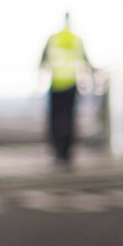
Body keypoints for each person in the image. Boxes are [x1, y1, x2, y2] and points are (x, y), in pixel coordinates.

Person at [40, 13, 91, 167]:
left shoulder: (53, 38)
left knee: (56, 119)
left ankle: (58, 151)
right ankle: (67, 153)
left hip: (56, 84)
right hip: (71, 84)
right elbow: (86, 61)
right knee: (69, 118)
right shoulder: (76, 39)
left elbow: (42, 61)